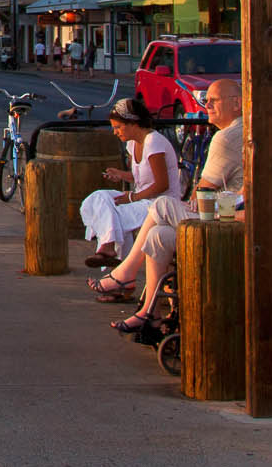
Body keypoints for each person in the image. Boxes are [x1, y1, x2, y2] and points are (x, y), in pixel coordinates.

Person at [89, 79, 244, 306]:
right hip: (225, 211)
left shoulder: (225, 137)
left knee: (160, 206)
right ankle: (152, 309)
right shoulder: (236, 132)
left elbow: (201, 189)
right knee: (157, 235)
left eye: (213, 101)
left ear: (237, 103)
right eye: (205, 100)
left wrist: (133, 197)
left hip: (226, 218)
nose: (206, 105)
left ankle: (122, 272)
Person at [80, 97, 179, 267]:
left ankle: (111, 255)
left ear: (133, 123)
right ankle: (110, 250)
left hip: (160, 203)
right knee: (98, 199)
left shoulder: (153, 142)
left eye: (118, 127)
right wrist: (121, 175)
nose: (115, 132)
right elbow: (140, 176)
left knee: (114, 216)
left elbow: (162, 184)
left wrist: (133, 197)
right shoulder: (133, 144)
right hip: (142, 198)